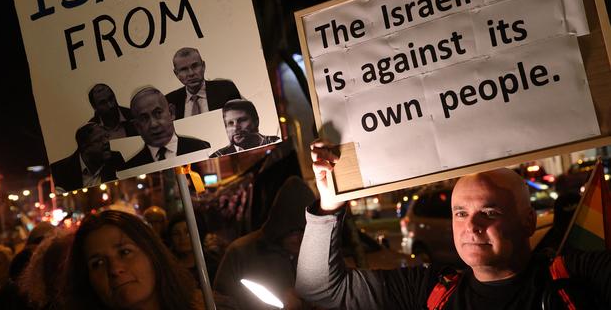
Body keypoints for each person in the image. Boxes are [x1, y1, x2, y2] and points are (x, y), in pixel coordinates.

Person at [295, 139, 611, 309]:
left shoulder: (577, 279)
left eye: (489, 213)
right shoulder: (430, 290)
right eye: (460, 213)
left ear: (528, 222)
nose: (471, 226)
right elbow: (319, 288)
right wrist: (329, 203)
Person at [63, 209, 200, 310]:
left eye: (125, 252)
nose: (114, 269)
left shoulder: (208, 303)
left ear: (152, 253)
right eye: (97, 263)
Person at [214, 176, 316, 310]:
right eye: (295, 231)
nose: (301, 239)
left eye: (308, 231)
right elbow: (221, 304)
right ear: (280, 226)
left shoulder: (318, 254)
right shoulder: (241, 253)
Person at [125, 87, 210, 169]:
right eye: (144, 118)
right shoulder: (131, 167)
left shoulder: (200, 148)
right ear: (137, 126)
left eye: (158, 113)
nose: (153, 124)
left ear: (171, 112)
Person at [165, 48, 241, 119]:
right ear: (176, 74)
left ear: (203, 66)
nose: (191, 73)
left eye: (195, 66)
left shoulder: (226, 89)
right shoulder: (170, 101)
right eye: (184, 69)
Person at [50, 123, 125, 192]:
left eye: (106, 136)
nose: (106, 142)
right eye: (98, 140)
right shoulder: (59, 170)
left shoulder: (116, 158)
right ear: (84, 147)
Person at [209, 100, 280, 158]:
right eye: (230, 123)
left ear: (256, 121)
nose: (235, 128)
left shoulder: (276, 142)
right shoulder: (217, 156)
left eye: (241, 120)